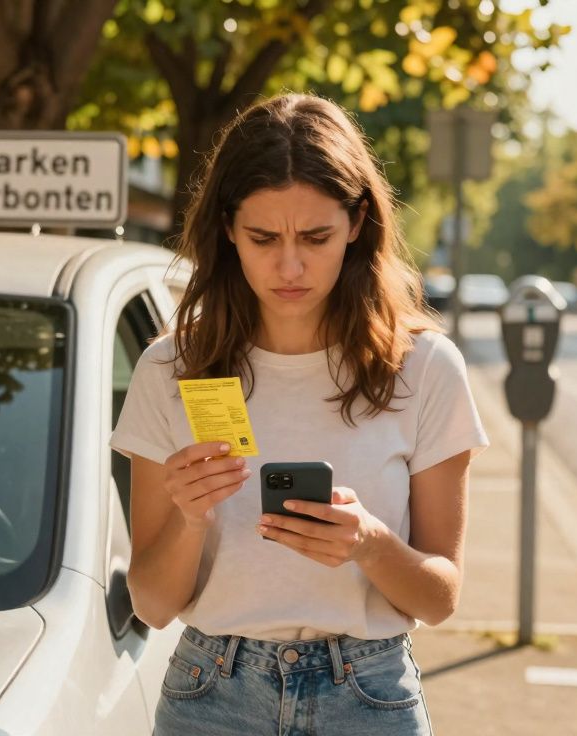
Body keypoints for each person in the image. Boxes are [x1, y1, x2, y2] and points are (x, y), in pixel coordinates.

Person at [109, 94, 490, 735]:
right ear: (228, 229)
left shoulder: (426, 367)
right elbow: (152, 605)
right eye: (264, 238)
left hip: (366, 695)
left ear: (358, 221)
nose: (290, 266)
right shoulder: (169, 369)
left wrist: (369, 544)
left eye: (316, 237)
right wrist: (190, 518)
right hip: (211, 696)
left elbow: (440, 598)